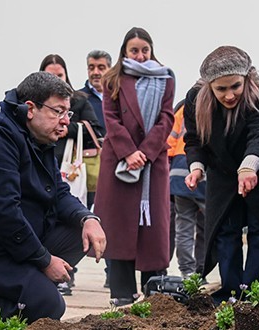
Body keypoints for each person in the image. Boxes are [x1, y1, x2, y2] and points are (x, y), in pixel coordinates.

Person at [0, 72, 107, 324]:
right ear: (30, 109)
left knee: (80, 232)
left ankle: (21, 286)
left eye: (67, 114)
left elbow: (59, 192)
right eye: (58, 112)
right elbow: (4, 214)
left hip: (9, 243)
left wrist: (88, 218)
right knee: (48, 307)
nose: (65, 122)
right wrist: (45, 261)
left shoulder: (39, 138)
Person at [183, 46, 259, 303]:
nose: (229, 95)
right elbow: (194, 139)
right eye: (221, 89)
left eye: (235, 86)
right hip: (222, 170)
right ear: (208, 86)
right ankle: (231, 292)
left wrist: (249, 167)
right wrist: (196, 167)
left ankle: (258, 296)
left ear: (247, 78)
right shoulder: (194, 99)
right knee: (226, 229)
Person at [94, 27, 175, 306]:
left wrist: (145, 152)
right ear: (124, 52)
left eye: (144, 50)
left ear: (151, 50)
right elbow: (111, 118)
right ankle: (122, 294)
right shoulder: (113, 79)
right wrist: (129, 153)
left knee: (153, 227)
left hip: (152, 164)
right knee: (119, 227)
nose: (140, 56)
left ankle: (155, 293)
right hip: (119, 161)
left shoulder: (166, 78)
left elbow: (167, 118)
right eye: (134, 50)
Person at [38, 54, 105, 296]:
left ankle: (67, 273)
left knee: (72, 215)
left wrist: (65, 126)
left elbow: (97, 130)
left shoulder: (78, 101)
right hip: (43, 166)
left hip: (71, 169)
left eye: (59, 75)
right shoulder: (32, 111)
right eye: (49, 75)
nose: (55, 80)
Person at [168, 100, 206, 279]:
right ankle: (202, 269)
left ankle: (187, 270)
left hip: (178, 173)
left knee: (183, 225)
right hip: (201, 170)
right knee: (209, 226)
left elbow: (170, 142)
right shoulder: (212, 102)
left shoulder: (183, 108)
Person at [79, 50, 112, 137]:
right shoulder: (79, 98)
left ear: (110, 70)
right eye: (91, 68)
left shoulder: (119, 96)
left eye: (101, 68)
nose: (95, 72)